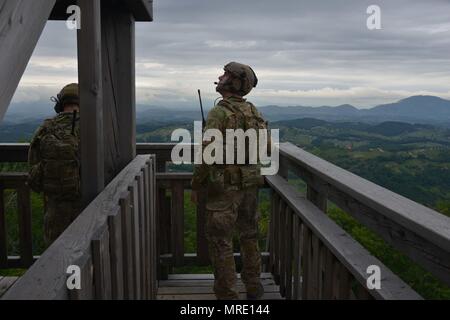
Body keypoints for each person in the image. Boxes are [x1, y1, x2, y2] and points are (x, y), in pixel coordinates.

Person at [191, 62, 269, 300]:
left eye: (225, 74)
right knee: (249, 236)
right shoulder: (254, 111)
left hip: (224, 188)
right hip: (250, 184)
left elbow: (207, 154)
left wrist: (197, 184)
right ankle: (254, 287)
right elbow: (265, 148)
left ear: (235, 81)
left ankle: (228, 296)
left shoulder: (219, 113)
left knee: (220, 241)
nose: (220, 76)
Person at [28, 83, 81, 245]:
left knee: (57, 260)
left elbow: (34, 172)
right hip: (90, 207)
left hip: (55, 211)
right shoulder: (94, 126)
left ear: (60, 103)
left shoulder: (46, 128)